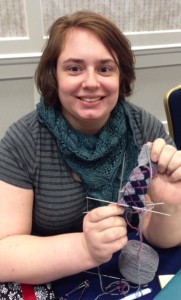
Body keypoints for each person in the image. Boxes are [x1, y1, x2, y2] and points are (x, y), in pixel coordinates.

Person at [0, 10, 181, 288]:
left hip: (127, 277)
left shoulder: (142, 127)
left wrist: (169, 205)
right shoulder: (23, 141)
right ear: (53, 76)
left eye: (105, 68)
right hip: (51, 279)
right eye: (74, 68)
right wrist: (84, 249)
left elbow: (163, 237)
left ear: (121, 77)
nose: (91, 82)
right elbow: (4, 253)